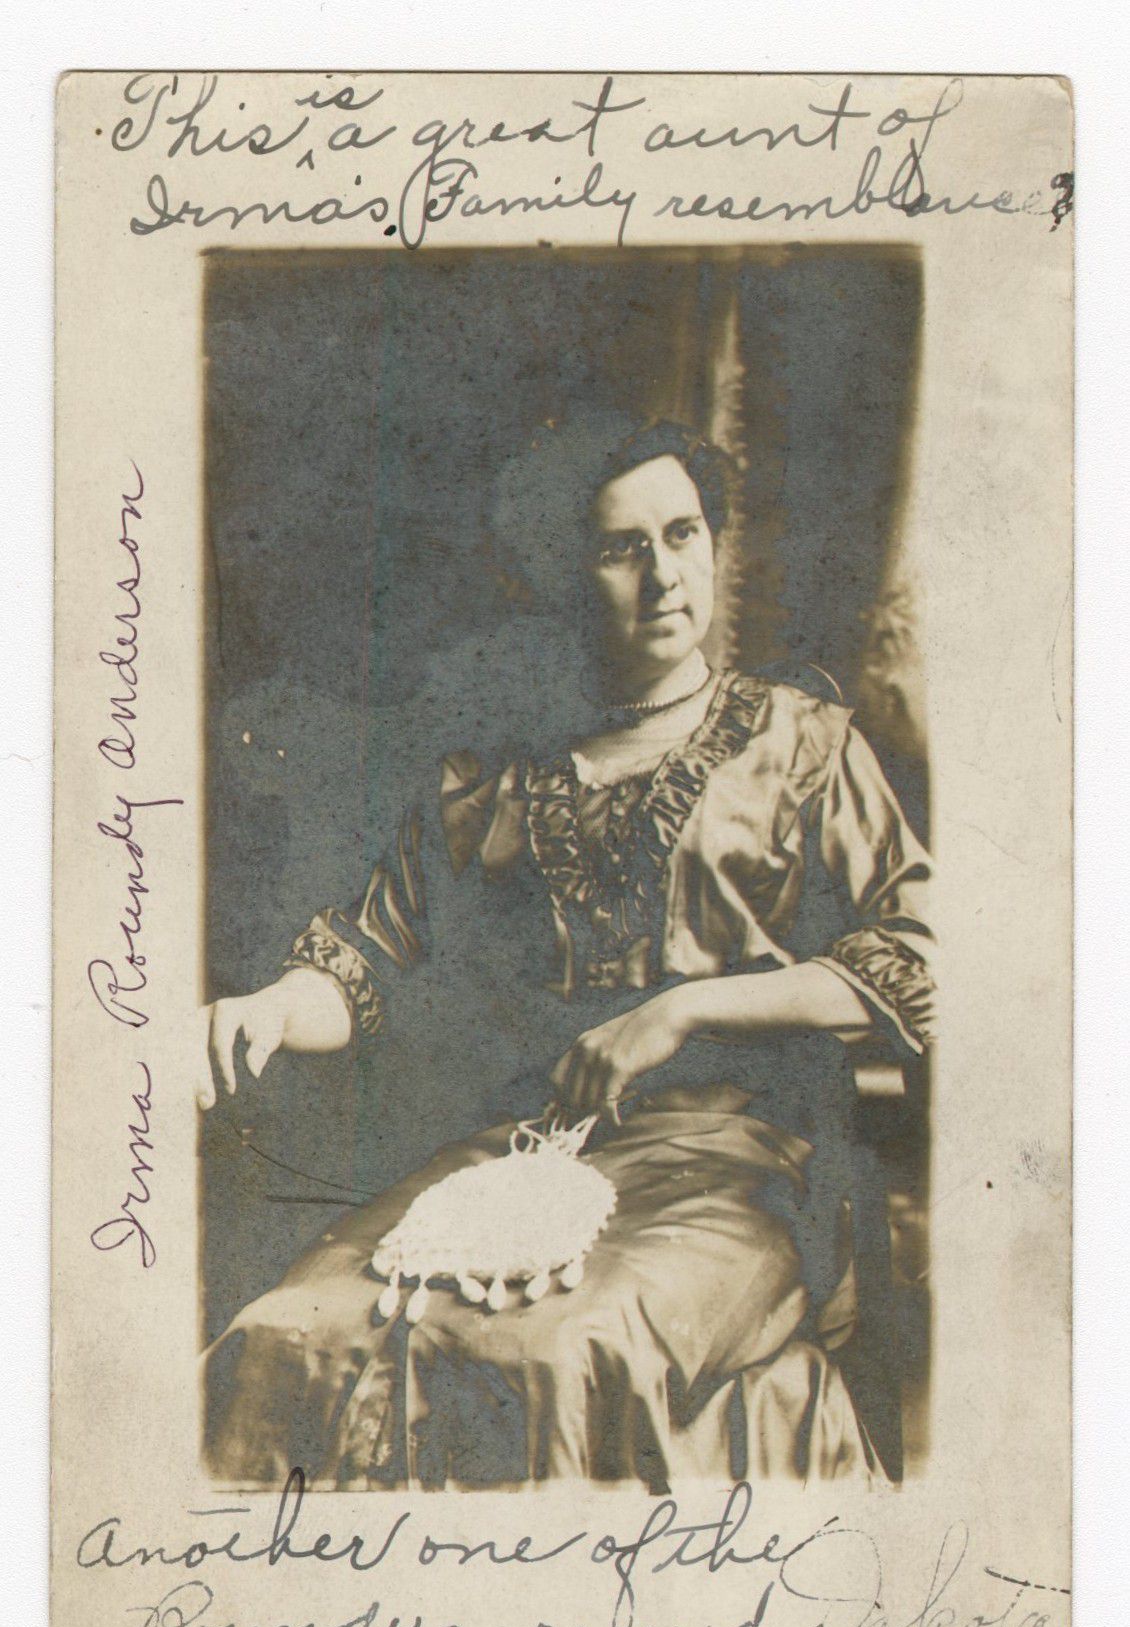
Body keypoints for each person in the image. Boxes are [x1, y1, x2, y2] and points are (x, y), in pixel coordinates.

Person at [199, 416, 934, 1491]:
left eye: (682, 535)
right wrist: (270, 1006)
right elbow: (368, 954)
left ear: (716, 545)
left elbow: (918, 951)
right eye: (620, 549)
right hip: (527, 1153)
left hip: (736, 1162)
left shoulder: (801, 743)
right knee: (286, 1331)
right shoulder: (500, 775)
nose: (663, 576)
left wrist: (683, 1010)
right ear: (561, 574)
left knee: (553, 1349)